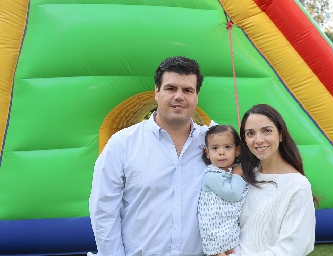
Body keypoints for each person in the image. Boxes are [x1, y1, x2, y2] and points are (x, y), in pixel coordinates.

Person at [89, 56, 210, 256]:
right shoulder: (122, 144)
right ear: (156, 92)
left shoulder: (213, 146)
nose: (179, 96)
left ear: (197, 96)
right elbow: (104, 212)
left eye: (187, 90)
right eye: (171, 88)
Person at [237, 104, 316, 256]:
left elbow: (290, 250)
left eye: (267, 131)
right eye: (250, 133)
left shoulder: (297, 185)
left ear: (280, 135)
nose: (258, 140)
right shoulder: (244, 178)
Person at [198, 125, 248, 256]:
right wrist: (237, 175)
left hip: (231, 235)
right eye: (215, 148)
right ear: (207, 153)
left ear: (237, 151)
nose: (221, 152)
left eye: (227, 147)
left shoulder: (232, 170)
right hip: (216, 239)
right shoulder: (211, 175)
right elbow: (232, 194)